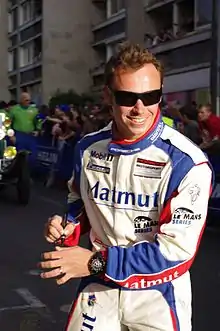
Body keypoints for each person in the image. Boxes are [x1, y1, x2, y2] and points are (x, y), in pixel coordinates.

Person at [40, 42, 212, 331]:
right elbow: (79, 202)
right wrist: (66, 225)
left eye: (150, 96)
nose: (139, 108)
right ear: (108, 95)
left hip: (158, 294)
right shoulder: (87, 148)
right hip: (99, 289)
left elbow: (176, 254)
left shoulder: (187, 163)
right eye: (127, 97)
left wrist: (96, 262)